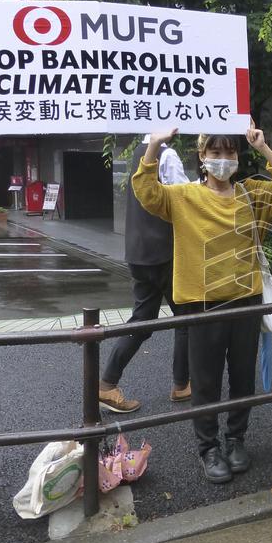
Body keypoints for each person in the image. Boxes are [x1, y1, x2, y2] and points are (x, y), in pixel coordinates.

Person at [133, 125, 272, 484]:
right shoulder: (182, 197)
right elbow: (146, 193)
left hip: (245, 301)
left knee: (242, 379)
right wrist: (156, 145)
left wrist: (264, 147)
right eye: (215, 153)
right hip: (200, 304)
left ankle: (236, 438)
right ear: (202, 159)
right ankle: (208, 448)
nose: (223, 160)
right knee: (205, 383)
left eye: (230, 153)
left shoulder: (251, 195)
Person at [99, 135, 191, 413]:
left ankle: (106, 385)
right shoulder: (167, 155)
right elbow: (183, 198)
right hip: (164, 251)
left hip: (138, 251)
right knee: (187, 318)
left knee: (142, 321)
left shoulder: (139, 151)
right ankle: (181, 384)